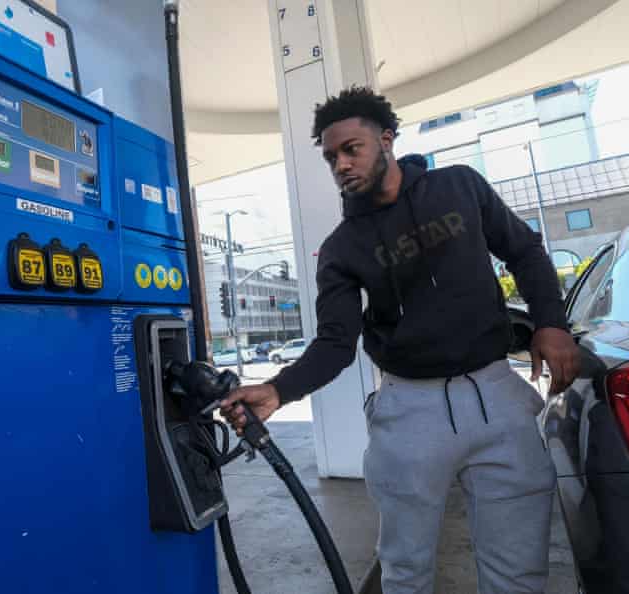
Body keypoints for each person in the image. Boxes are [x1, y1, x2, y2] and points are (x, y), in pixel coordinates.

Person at [221, 87, 579, 594]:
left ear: (386, 139)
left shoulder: (459, 187)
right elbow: (335, 343)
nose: (341, 165)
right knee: (405, 574)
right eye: (331, 158)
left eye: (352, 149)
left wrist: (552, 323)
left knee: (519, 572)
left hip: (497, 394)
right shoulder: (342, 249)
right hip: (411, 410)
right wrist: (279, 390)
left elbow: (524, 251)